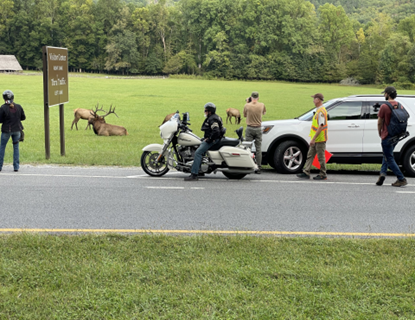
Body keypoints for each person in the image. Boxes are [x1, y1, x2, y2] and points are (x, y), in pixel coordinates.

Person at [376, 86, 408, 187]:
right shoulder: (399, 105)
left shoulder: (384, 106)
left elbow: (379, 122)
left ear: (388, 94)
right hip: (397, 135)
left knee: (389, 157)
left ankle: (401, 178)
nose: (384, 95)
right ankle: (382, 174)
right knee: (387, 154)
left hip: (387, 134)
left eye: (385, 93)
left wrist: (380, 132)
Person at [184, 102, 223, 181]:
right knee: (198, 145)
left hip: (213, 140)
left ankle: (194, 174)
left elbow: (216, 131)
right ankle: (200, 169)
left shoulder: (213, 119)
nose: (204, 112)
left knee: (198, 152)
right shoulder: (214, 117)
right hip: (213, 138)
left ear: (210, 111)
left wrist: (209, 139)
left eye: (205, 110)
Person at [297, 93, 328, 180]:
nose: (313, 100)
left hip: (320, 138)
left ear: (318, 100)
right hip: (316, 138)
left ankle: (323, 174)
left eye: (314, 99)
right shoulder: (319, 110)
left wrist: (314, 139)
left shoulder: (321, 111)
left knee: (321, 157)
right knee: (310, 155)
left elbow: (321, 126)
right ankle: (306, 172)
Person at [0, 90, 26, 172]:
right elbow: (23, 117)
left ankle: (0, 166)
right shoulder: (18, 106)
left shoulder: (3, 108)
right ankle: (16, 167)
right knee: (16, 148)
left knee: (2, 147)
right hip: (17, 130)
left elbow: (0, 120)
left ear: (4, 98)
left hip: (6, 131)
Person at [243, 91, 266, 173]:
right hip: (258, 128)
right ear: (258, 98)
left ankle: (248, 165)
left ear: (251, 97)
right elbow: (264, 113)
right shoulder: (262, 105)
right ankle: (259, 167)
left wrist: (248, 102)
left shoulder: (247, 105)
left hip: (249, 128)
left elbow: (245, 115)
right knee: (258, 148)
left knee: (248, 148)